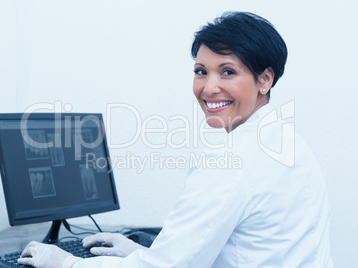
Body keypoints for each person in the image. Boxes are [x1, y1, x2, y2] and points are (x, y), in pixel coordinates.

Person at [18, 11, 333, 268]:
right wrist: (139, 252)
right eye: (200, 71)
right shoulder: (286, 141)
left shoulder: (230, 160)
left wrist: (65, 263)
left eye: (227, 72)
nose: (208, 88)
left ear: (265, 79)